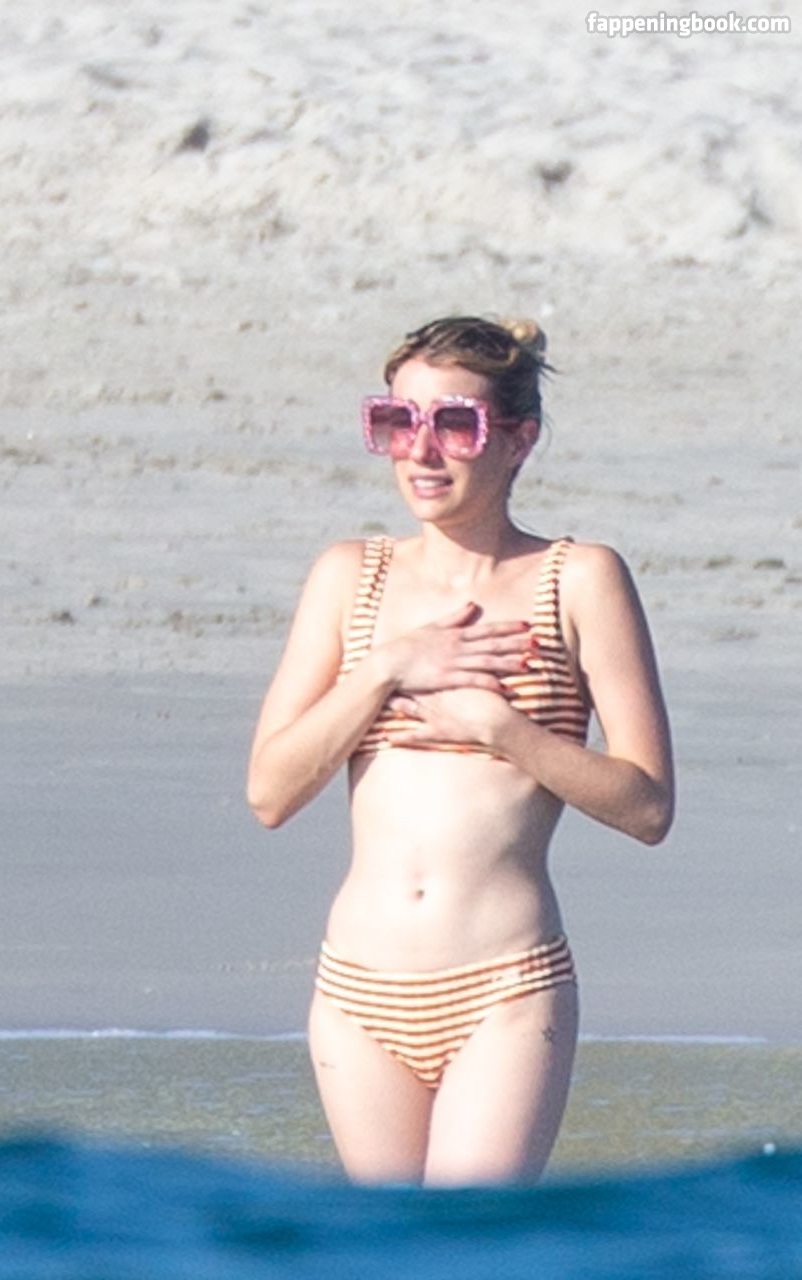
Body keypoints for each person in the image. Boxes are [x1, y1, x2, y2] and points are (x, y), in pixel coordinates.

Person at [246, 316, 673, 1186]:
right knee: (393, 1248)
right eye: (396, 421)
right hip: (358, 991)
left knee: (472, 1242)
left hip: (505, 986)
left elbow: (647, 806)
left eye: (454, 423)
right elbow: (270, 792)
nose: (421, 449)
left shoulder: (579, 578)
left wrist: (502, 730)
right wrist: (388, 668)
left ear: (518, 439)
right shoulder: (349, 576)